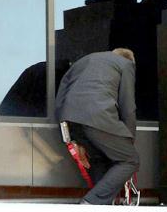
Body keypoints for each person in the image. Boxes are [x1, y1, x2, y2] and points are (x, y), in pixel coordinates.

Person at [55, 48, 138, 205]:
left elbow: (60, 98)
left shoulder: (82, 61)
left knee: (99, 159)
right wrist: (129, 139)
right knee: (130, 160)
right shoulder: (126, 64)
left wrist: (70, 138)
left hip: (70, 118)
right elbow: (128, 106)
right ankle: (90, 203)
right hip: (98, 117)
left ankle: (102, 205)